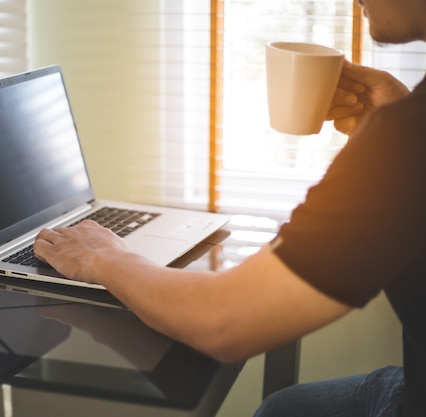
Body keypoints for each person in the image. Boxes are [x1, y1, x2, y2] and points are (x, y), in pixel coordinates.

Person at [33, 0, 426, 415]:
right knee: (281, 409)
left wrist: (104, 257)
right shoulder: (408, 124)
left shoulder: (409, 133)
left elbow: (223, 322)